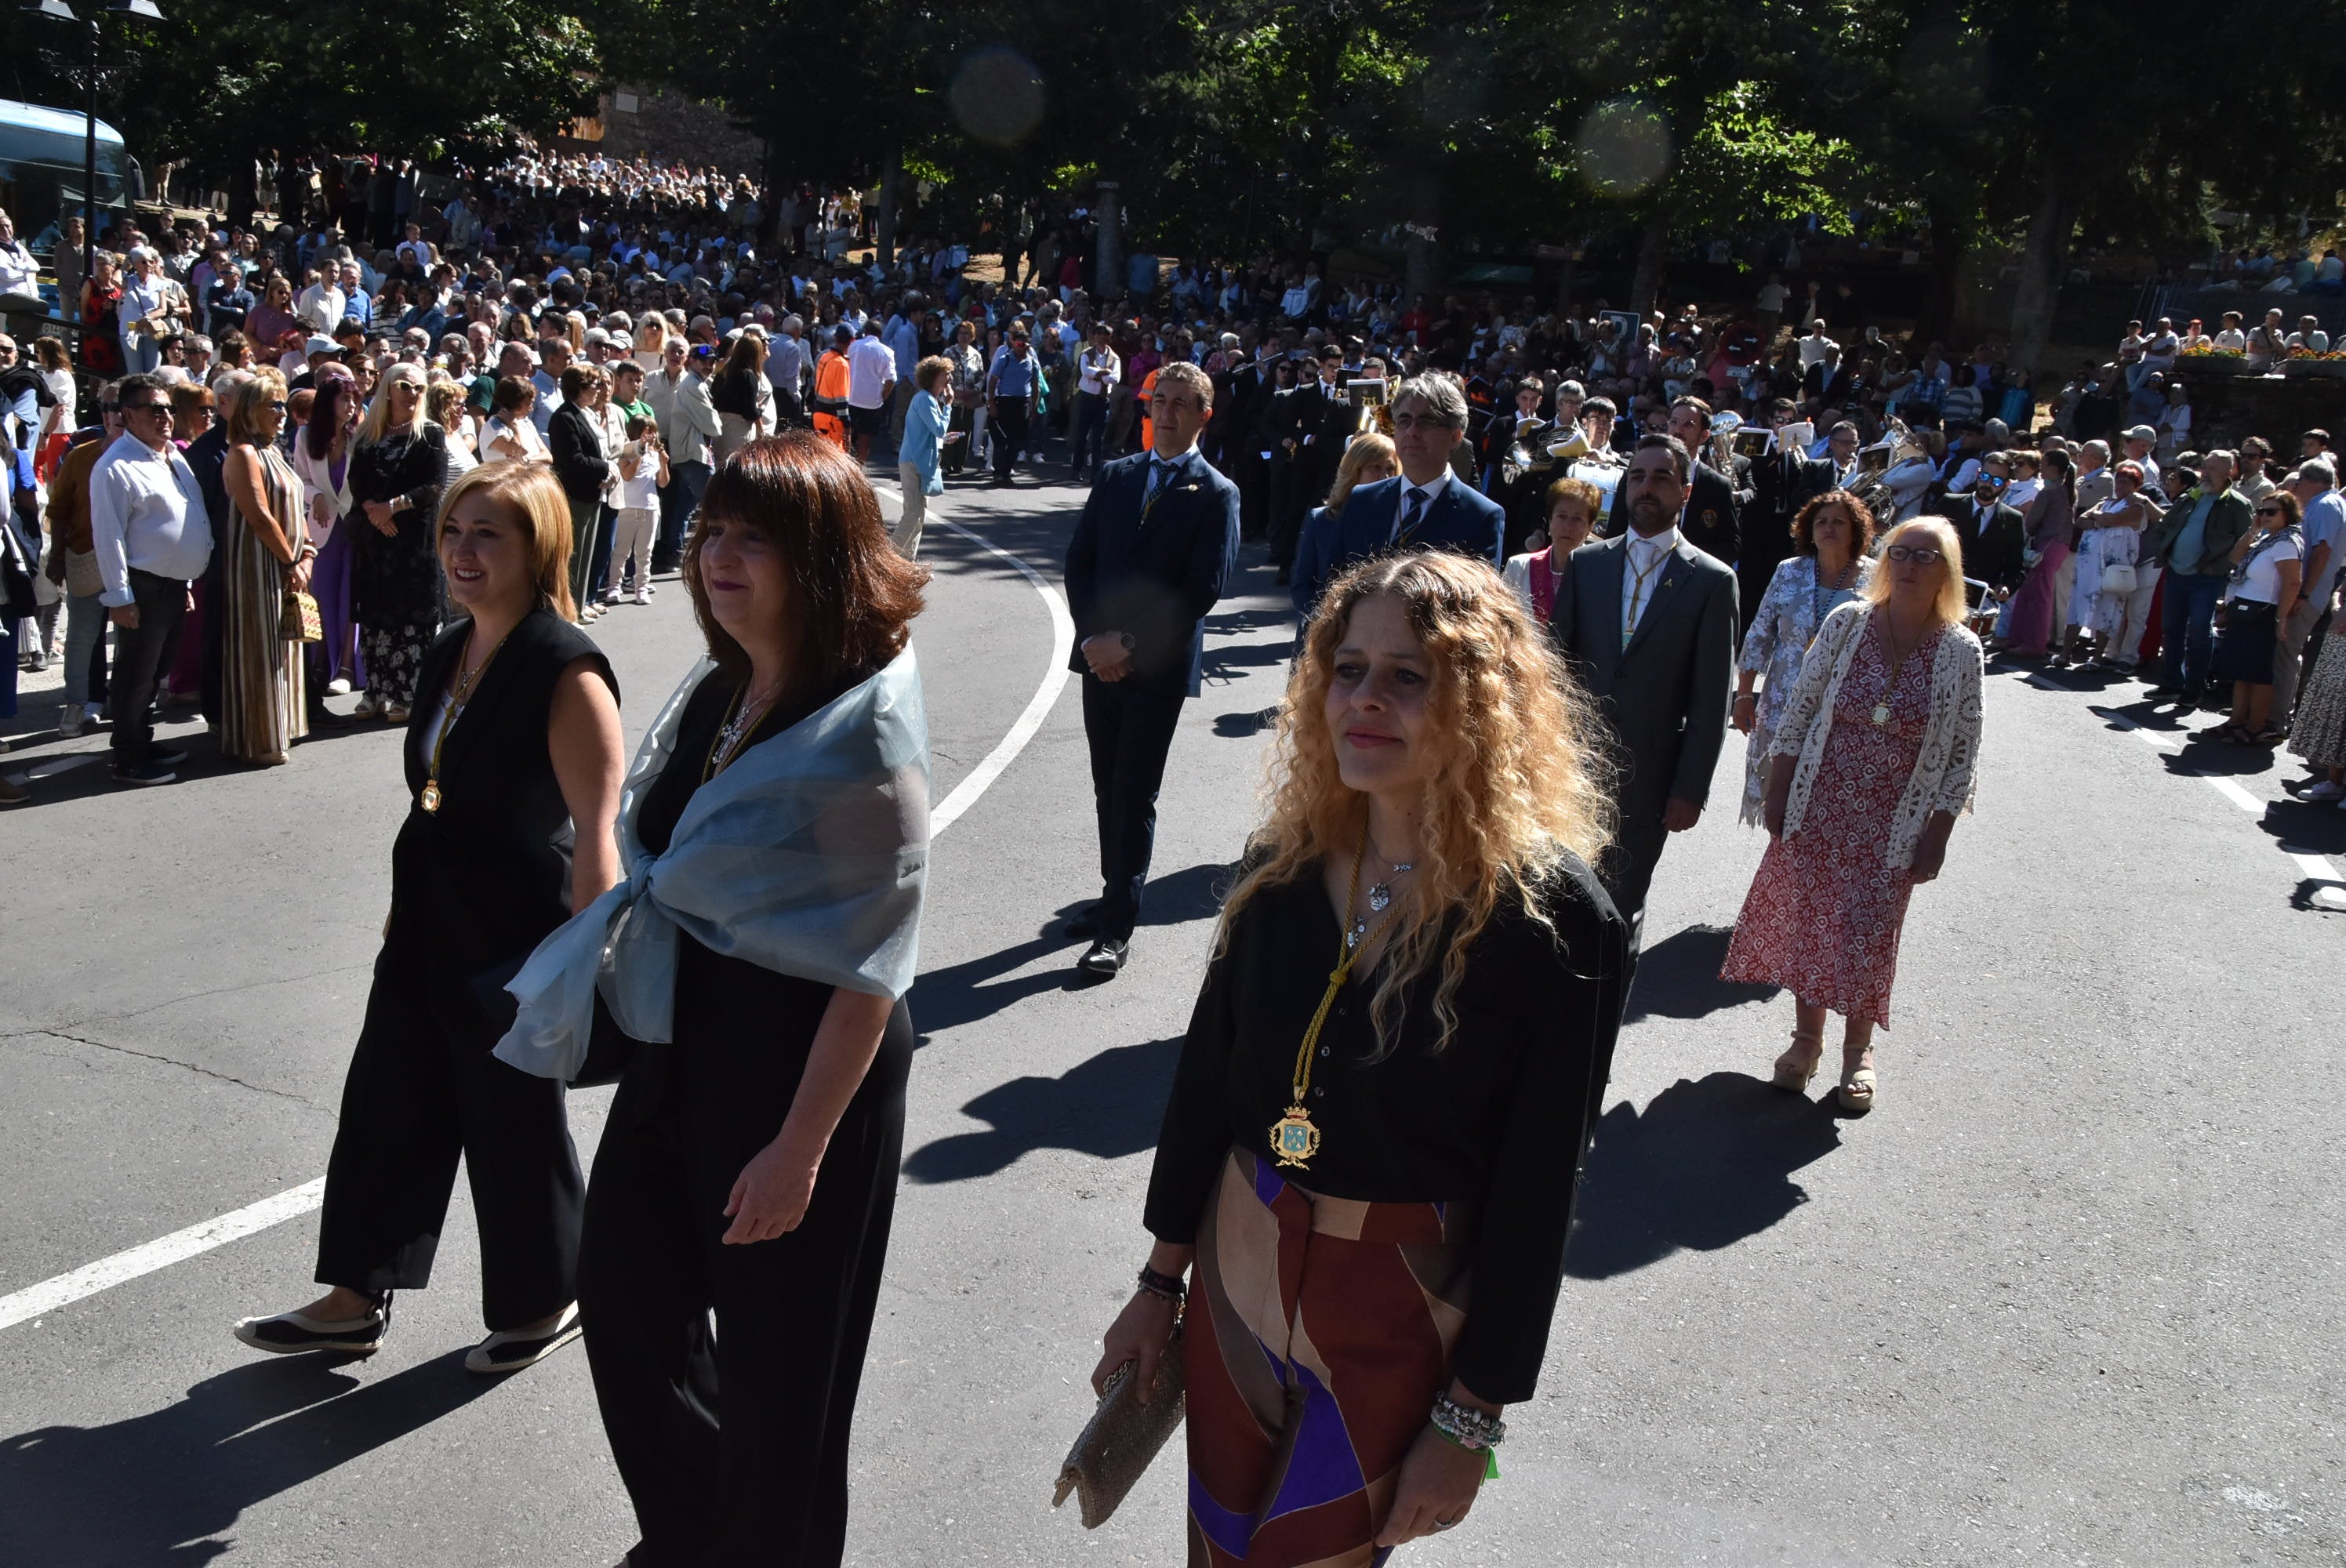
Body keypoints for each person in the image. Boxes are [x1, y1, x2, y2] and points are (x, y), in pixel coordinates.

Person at [1097, 548, 1625, 1565]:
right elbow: (1206, 1087)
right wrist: (1158, 1285)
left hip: (1399, 1305)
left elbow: (1537, 1187)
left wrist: (1471, 1418)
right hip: (1237, 1268)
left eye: (1407, 676)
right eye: (1347, 669)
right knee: (1217, 1552)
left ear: (1477, 704)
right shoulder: (1280, 871)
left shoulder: (1554, 922)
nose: (1364, 700)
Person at [492, 433, 931, 1568]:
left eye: (755, 537)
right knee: (626, 1301)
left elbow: (869, 966)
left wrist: (799, 1150)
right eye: (711, 531)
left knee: (788, 1385)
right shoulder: (725, 684)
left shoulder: (862, 735)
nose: (718, 556)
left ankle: (765, 1546)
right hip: (686, 1043)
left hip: (804, 1070)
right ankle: (706, 1537)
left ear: (823, 559)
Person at [232, 460, 623, 1373]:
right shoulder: (454, 648)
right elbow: (432, 796)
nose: (462, 551)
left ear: (540, 547)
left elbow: (598, 836)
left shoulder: (566, 667)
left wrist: (581, 968)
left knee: (510, 1123)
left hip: (516, 937)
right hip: (427, 919)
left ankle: (543, 1294)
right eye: (454, 530)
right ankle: (350, 1296)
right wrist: (400, 912)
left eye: (488, 534)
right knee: (385, 1100)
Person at [1721, 517, 1983, 1112]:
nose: (1912, 565)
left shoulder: (1960, 650)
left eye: (1928, 556)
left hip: (1896, 820)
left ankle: (1857, 1052)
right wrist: (1779, 790)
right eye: (1902, 553)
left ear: (1948, 570)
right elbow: (1800, 709)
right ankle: (1806, 1042)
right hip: (1822, 800)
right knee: (1812, 921)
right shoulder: (1847, 623)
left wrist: (1937, 832)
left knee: (1869, 930)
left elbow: (1963, 752)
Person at [1062, 361, 1240, 975]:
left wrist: (1127, 644)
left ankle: (1116, 928)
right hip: (1098, 659)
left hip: (1155, 669)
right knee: (1105, 786)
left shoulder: (1216, 493)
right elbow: (1080, 562)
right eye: (1158, 400)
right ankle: (1114, 891)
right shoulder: (1115, 476)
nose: (1165, 412)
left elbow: (1201, 590)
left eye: (1181, 403)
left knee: (1135, 791)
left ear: (1203, 416)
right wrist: (1094, 640)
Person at [1549, 434, 1739, 944]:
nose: (1646, 487)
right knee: (1558, 897)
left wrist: (1689, 789)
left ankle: (1603, 1016)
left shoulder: (1711, 582)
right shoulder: (1589, 565)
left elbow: (1711, 698)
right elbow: (1555, 667)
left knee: (1619, 908)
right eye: (1637, 476)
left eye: (1661, 477)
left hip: (1650, 779)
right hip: (1574, 768)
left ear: (1685, 491)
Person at [1290, 374, 1506, 619]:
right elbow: (1332, 587)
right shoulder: (1363, 499)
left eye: (1427, 422)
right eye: (1404, 421)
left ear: (1455, 436)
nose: (1412, 431)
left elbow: (1474, 613)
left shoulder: (1481, 516)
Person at [89, 372, 210, 785]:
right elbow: (109, 537)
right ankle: (127, 756)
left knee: (155, 672)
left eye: (169, 409)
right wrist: (120, 597)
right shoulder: (115, 467)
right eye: (153, 409)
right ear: (128, 414)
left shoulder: (172, 456)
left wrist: (187, 582)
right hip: (143, 587)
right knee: (135, 675)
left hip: (172, 586)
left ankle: (142, 739)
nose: (164, 416)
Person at [1733, 490, 1876, 825]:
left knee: (1826, 801)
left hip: (1844, 706)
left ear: (1855, 529)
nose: (1829, 528)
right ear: (1808, 531)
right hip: (1782, 700)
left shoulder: (1876, 577)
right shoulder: (1789, 571)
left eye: (1838, 521)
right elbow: (1759, 634)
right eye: (1821, 522)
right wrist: (1743, 694)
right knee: (1777, 799)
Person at [215, 369, 312, 765]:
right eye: (273, 404)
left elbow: (296, 508)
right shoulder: (243, 452)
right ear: (249, 410)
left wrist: (307, 554)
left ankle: (281, 728)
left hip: (287, 563)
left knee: (282, 646)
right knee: (258, 648)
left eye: (283, 405)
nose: (281, 412)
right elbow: (258, 515)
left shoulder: (275, 450)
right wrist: (290, 558)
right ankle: (258, 739)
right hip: (256, 564)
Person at [349, 362, 448, 723]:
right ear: (388, 388)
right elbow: (356, 481)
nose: (413, 394)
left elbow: (433, 486)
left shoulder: (431, 434)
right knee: (377, 614)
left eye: (420, 388)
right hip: (375, 542)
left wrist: (391, 508)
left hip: (414, 543)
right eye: (406, 386)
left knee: (413, 616)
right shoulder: (367, 435)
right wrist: (373, 513)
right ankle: (375, 691)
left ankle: (409, 694)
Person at [2144, 451, 2252, 708]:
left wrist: (2223, 568)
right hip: (2176, 573)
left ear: (2229, 472)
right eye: (2205, 467)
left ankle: (2194, 688)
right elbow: (2166, 524)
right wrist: (2163, 550)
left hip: (2207, 578)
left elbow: (2246, 540)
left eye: (2213, 468)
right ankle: (2172, 683)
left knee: (2199, 633)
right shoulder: (2190, 496)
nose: (2206, 473)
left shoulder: (2236, 504)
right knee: (2172, 629)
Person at [2203, 491, 2303, 746]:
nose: (2264, 516)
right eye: (2261, 511)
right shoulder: (2265, 540)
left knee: (2258, 676)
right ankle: (2236, 721)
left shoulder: (2286, 543)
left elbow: (2292, 583)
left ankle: (2256, 727)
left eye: (2272, 512)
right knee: (2240, 672)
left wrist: (2281, 618)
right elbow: (2235, 558)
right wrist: (2252, 530)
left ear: (2287, 514)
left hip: (2264, 613)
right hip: (2245, 611)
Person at [2063, 460, 2155, 668]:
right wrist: (2098, 519)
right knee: (2078, 605)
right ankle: (2065, 653)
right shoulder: (2106, 502)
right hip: (2088, 566)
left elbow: (2115, 520)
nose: (2120, 487)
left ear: (2136, 486)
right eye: (2119, 482)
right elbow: (2081, 521)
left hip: (2113, 570)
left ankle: (2097, 658)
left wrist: (2098, 518)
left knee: (2108, 609)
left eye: (2126, 483)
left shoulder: (2137, 508)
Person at [1999, 447, 2076, 658]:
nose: (2041, 468)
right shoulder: (2066, 490)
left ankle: (2033, 644)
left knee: (2038, 596)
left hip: (2045, 546)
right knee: (2031, 593)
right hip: (2056, 547)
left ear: (2052, 467)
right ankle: (2020, 639)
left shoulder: (2049, 491)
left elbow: (2032, 522)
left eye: (2043, 464)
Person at [549, 364, 612, 614]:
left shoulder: (584, 413)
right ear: (580, 387)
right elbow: (572, 459)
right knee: (573, 556)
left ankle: (581, 602)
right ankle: (568, 608)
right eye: (595, 385)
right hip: (575, 494)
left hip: (592, 492)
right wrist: (607, 467)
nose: (599, 390)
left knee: (586, 553)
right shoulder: (564, 417)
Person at [1501, 473, 1600, 621]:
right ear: (1550, 520)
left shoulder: (1599, 575)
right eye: (1562, 516)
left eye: (1577, 519)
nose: (1568, 527)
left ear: (1590, 527)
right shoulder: (1519, 568)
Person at [895, 354, 954, 557]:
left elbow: (931, 433)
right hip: (914, 462)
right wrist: (948, 406)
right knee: (913, 514)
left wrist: (945, 438)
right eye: (944, 374)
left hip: (919, 461)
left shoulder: (928, 399)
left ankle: (907, 561)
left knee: (918, 515)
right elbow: (938, 429)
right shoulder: (926, 400)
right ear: (932, 377)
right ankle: (888, 556)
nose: (949, 377)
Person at [608, 414, 667, 604]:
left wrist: (664, 463)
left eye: (653, 431)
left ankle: (641, 587)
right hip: (628, 507)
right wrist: (640, 452)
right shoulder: (628, 451)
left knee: (645, 552)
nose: (651, 435)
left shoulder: (656, 453)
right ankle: (614, 587)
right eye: (647, 431)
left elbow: (663, 483)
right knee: (621, 552)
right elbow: (626, 475)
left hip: (650, 507)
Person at [711, 330, 776, 465]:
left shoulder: (722, 373)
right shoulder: (748, 376)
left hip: (719, 429)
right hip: (739, 431)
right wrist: (761, 408)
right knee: (738, 467)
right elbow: (750, 413)